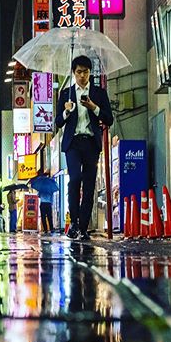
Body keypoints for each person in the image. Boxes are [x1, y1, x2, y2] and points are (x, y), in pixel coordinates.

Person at [55, 55, 113, 241]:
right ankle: (73, 221)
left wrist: (94, 107)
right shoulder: (66, 94)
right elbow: (57, 122)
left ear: (90, 73)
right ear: (73, 73)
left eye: (85, 72)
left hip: (91, 143)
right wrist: (66, 111)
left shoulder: (99, 93)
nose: (82, 76)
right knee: (75, 179)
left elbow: (109, 118)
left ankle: (83, 227)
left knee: (89, 185)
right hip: (72, 143)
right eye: (79, 72)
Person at [30, 170, 59, 234]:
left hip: (42, 204)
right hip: (48, 204)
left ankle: (45, 229)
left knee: (43, 217)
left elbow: (39, 196)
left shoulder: (41, 187)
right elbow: (51, 195)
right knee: (49, 217)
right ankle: (51, 229)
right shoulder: (50, 186)